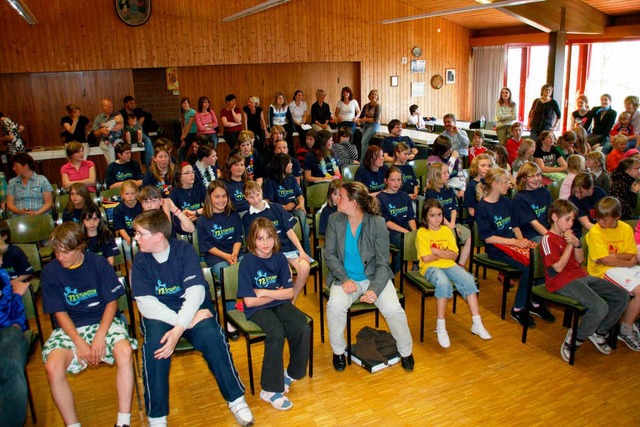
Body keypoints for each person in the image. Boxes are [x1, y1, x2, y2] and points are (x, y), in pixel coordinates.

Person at [130, 209, 254, 427]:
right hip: (163, 314)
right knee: (155, 349)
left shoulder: (184, 250)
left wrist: (179, 328)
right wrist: (183, 323)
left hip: (193, 306)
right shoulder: (140, 260)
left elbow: (196, 292)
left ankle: (235, 398)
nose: (136, 238)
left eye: (140, 233)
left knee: (213, 339)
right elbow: (145, 303)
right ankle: (157, 417)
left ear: (158, 235)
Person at [41, 222, 135, 427]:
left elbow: (112, 302)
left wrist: (101, 335)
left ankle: (123, 421)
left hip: (103, 321)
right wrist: (80, 342)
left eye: (65, 252)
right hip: (70, 328)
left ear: (80, 247)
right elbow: (59, 312)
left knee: (125, 351)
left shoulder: (98, 263)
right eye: (56, 252)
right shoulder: (50, 272)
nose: (59, 257)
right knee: (53, 366)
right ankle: (72, 424)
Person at [324, 182, 414, 371]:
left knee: (394, 310)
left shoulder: (377, 223)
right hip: (346, 278)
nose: (336, 199)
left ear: (354, 203)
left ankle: (406, 352)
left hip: (374, 277)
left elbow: (383, 263)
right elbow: (329, 255)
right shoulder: (334, 220)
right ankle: (338, 352)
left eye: (341, 196)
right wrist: (344, 278)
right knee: (334, 307)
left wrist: (374, 289)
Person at [540, 199, 628, 362]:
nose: (570, 223)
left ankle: (599, 331)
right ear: (554, 217)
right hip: (560, 282)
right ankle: (576, 338)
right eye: (567, 219)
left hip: (581, 276)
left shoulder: (570, 235)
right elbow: (557, 268)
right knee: (600, 306)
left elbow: (579, 260)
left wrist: (577, 244)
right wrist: (568, 246)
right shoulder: (548, 239)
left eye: (572, 219)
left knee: (622, 296)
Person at [237, 218, 310, 411]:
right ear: (252, 240)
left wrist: (264, 292)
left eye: (269, 237)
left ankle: (291, 373)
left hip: (277, 302)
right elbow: (249, 302)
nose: (266, 243)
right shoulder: (247, 263)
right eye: (260, 239)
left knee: (301, 325)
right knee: (276, 333)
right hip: (257, 310)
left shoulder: (279, 258)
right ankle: (269, 390)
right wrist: (276, 292)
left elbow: (289, 293)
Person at [476, 167, 552, 327]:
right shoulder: (482, 207)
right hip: (497, 249)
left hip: (512, 243)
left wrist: (521, 240)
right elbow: (488, 238)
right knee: (528, 267)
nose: (509, 185)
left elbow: (515, 225)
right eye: (505, 182)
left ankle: (535, 302)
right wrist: (515, 243)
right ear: (495, 184)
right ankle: (518, 309)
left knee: (540, 257)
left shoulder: (506, 201)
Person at [417, 199, 491, 348]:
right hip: (430, 268)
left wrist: (437, 251)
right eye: (432, 215)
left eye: (439, 215)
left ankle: (476, 322)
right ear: (425, 217)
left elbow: (454, 255)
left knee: (468, 280)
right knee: (443, 283)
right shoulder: (422, 233)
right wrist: (445, 253)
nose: (437, 219)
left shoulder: (447, 230)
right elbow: (426, 258)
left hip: (449, 265)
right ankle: (441, 326)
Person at [586, 197, 640, 351]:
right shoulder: (596, 231)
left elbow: (632, 255)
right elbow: (604, 261)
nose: (600, 223)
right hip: (603, 272)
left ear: (616, 218)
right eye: (598, 219)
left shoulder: (625, 228)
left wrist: (615, 256)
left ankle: (633, 320)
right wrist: (626, 262)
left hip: (622, 267)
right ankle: (626, 329)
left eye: (605, 220)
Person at [242, 181, 310, 301]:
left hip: (288, 249)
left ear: (261, 192)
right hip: (270, 253)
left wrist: (301, 251)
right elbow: (251, 243)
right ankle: (283, 301)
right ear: (246, 198)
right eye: (251, 197)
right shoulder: (247, 218)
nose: (255, 199)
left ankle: (291, 300)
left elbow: (289, 231)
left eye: (257, 194)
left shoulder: (276, 208)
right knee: (286, 273)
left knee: (304, 268)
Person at [0, 248, 29, 427]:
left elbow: (15, 312)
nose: (2, 262)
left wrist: (18, 324)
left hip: (7, 332)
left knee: (10, 370)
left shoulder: (2, 277)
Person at [425, 162, 471, 267]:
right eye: (444, 173)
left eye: (447, 172)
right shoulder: (430, 192)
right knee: (452, 235)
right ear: (436, 176)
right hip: (438, 224)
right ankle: (450, 265)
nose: (448, 175)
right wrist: (449, 226)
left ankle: (460, 265)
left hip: (451, 222)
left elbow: (454, 208)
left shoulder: (449, 189)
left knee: (468, 235)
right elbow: (436, 213)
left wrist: (453, 224)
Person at [263, 153, 310, 255]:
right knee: (304, 228)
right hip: (279, 213)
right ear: (283, 165)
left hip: (294, 209)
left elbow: (300, 196)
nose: (292, 165)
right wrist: (284, 207)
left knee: (304, 224)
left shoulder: (292, 179)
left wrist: (301, 204)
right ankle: (296, 252)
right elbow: (267, 203)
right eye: (289, 163)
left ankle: (306, 255)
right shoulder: (270, 182)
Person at [376, 166, 417, 274]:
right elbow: (386, 222)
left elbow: (410, 217)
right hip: (390, 231)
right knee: (407, 245)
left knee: (419, 239)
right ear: (386, 181)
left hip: (406, 229)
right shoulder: (380, 198)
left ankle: (417, 266)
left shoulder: (405, 196)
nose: (396, 183)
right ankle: (390, 274)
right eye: (392, 180)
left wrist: (414, 232)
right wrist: (406, 233)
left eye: (399, 180)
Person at [513, 162, 553, 243]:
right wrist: (551, 238)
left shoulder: (544, 192)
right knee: (546, 244)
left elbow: (551, 215)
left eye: (538, 175)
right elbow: (534, 223)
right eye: (531, 176)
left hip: (546, 229)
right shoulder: (519, 198)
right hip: (531, 234)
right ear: (524, 178)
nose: (536, 179)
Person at [169, 162, 206, 235]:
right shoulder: (174, 192)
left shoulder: (200, 187)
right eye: (187, 173)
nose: (192, 175)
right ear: (180, 176)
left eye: (193, 172)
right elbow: (172, 214)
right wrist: (184, 218)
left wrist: (197, 214)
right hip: (182, 224)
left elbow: (210, 206)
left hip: (199, 221)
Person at [568, 173, 606, 238]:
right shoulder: (573, 199)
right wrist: (602, 233)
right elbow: (586, 224)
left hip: (599, 225)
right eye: (575, 191)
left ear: (590, 189)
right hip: (581, 229)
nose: (577, 195)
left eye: (581, 192)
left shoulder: (599, 193)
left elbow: (606, 216)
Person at [119, 96, 154, 167]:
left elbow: (149, 115)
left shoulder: (137, 111)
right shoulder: (121, 113)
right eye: (131, 103)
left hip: (138, 131)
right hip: (127, 132)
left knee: (147, 139)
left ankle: (150, 166)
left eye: (134, 103)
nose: (133, 105)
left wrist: (141, 120)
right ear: (125, 104)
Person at [112, 180, 142, 259]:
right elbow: (120, 228)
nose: (130, 196)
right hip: (127, 237)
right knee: (128, 249)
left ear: (137, 194)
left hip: (142, 235)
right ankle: (131, 268)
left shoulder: (141, 206)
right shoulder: (118, 209)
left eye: (132, 193)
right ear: (122, 195)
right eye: (126, 194)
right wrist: (129, 240)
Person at [91, 98, 123, 164]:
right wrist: (101, 131)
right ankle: (113, 169)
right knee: (112, 160)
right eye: (108, 107)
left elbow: (121, 126)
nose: (111, 108)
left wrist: (109, 129)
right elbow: (94, 133)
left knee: (123, 156)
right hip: (106, 140)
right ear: (103, 107)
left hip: (118, 139)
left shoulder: (117, 115)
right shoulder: (98, 118)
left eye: (111, 106)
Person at [463, 153, 495, 219]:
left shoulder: (493, 183)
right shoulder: (471, 185)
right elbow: (471, 211)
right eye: (483, 166)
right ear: (476, 167)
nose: (487, 168)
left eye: (489, 166)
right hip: (479, 219)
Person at [356, 89, 381, 163]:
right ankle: (366, 160)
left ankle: (362, 161)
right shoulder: (366, 106)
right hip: (366, 125)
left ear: (377, 97)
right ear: (369, 96)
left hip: (374, 125)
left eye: (375, 94)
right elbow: (361, 116)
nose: (374, 96)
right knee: (363, 143)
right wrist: (358, 120)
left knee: (364, 142)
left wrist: (364, 120)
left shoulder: (378, 106)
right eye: (372, 94)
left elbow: (375, 120)